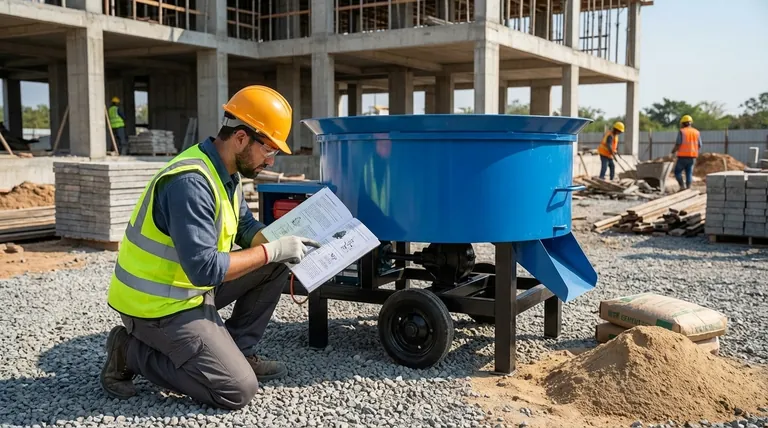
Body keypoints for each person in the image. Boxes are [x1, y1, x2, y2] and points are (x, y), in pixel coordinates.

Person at [99, 85, 321, 410]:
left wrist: (281, 243)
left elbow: (245, 227)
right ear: (242, 138)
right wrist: (274, 250)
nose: (271, 160)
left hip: (188, 290)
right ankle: (129, 351)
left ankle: (239, 350)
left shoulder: (227, 172)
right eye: (269, 150)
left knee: (274, 261)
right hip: (157, 306)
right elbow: (204, 269)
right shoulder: (190, 184)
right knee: (237, 390)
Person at [671, 114, 701, 190]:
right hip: (692, 156)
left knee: (677, 172)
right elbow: (699, 145)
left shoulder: (682, 131)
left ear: (683, 123)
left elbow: (678, 144)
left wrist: (673, 151)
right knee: (689, 173)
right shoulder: (696, 132)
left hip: (682, 157)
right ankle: (688, 188)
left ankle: (682, 186)